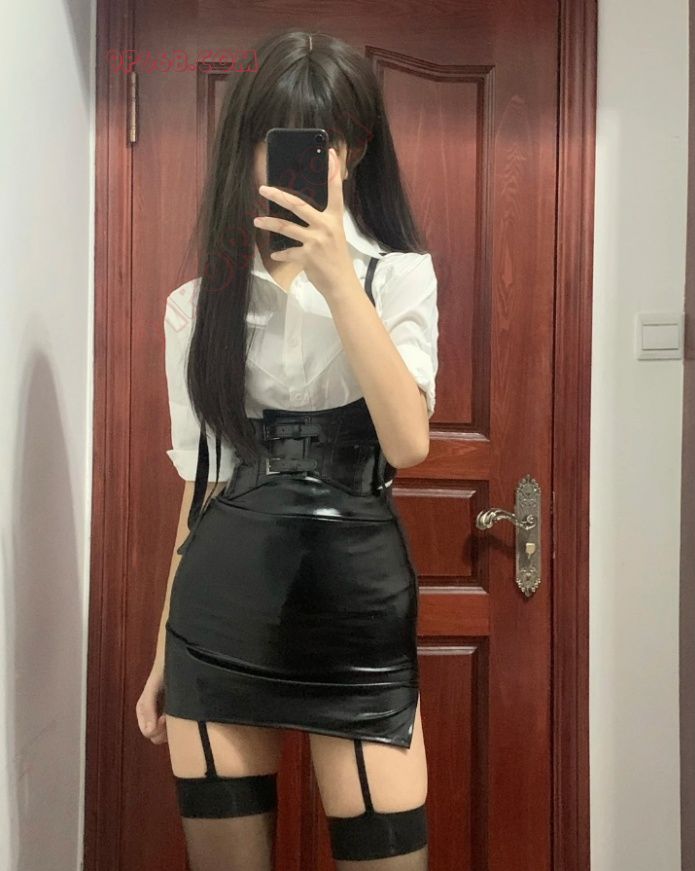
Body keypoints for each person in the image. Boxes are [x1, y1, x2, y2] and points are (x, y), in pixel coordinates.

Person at [135, 26, 439, 871]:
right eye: (280, 138)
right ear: (247, 147)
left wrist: (339, 278)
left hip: (358, 616)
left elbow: (409, 442)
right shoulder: (196, 307)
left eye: (324, 141)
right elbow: (203, 485)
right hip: (218, 615)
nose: (300, 161)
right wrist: (163, 646)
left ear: (355, 150)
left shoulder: (398, 278)